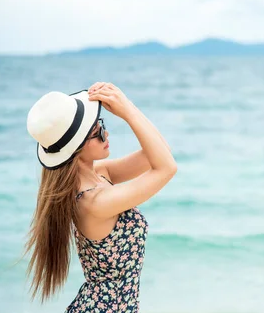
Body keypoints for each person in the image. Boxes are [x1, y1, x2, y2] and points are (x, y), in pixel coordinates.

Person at [24, 82, 177, 312]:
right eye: (97, 132)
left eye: (101, 125)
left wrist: (129, 107)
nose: (106, 134)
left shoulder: (98, 175)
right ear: (75, 148)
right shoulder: (94, 201)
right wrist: (127, 112)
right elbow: (166, 168)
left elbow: (160, 151)